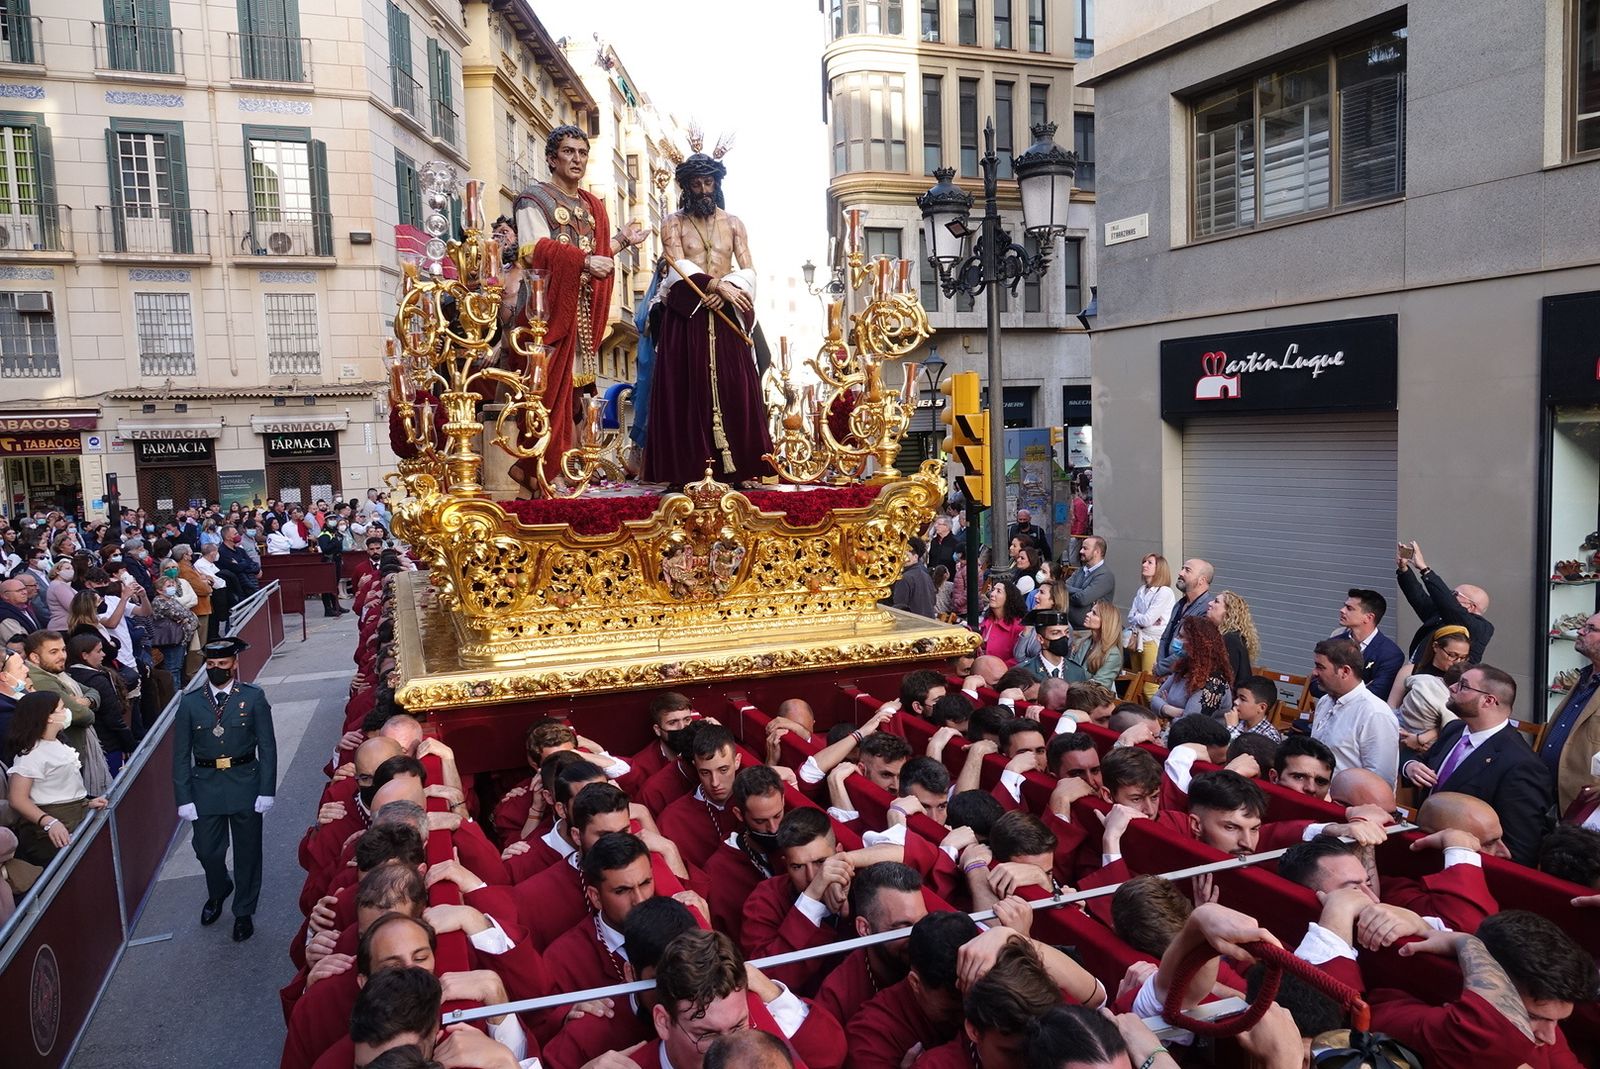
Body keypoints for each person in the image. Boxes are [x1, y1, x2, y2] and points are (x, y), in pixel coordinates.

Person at [513, 125, 647, 492]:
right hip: (547, 314)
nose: (577, 159)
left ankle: (571, 470)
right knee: (546, 396)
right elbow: (534, 249)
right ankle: (543, 471)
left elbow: (599, 257)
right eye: (569, 152)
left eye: (582, 153)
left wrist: (621, 241)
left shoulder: (592, 206)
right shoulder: (534, 199)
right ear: (552, 157)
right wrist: (585, 263)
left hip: (584, 314)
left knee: (574, 400)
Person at [644, 147, 772, 487]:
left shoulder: (733, 224)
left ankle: (739, 468)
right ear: (686, 187)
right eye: (696, 184)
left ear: (717, 185)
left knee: (736, 387)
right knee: (685, 389)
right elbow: (674, 265)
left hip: (726, 310)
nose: (703, 190)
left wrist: (726, 288)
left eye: (708, 183)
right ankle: (684, 471)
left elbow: (749, 268)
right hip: (688, 316)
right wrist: (711, 284)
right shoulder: (673, 223)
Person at [173, 636, 277, 942]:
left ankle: (243, 911)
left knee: (248, 852)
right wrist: (183, 797)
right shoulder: (190, 703)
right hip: (205, 785)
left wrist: (266, 789)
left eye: (221, 664)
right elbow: (180, 754)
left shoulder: (253, 698)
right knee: (207, 851)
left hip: (245, 780)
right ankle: (219, 889)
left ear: (234, 664)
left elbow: (267, 747)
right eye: (210, 664)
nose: (216, 669)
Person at [1401, 664, 1554, 864]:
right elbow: (1420, 760)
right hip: (1424, 849)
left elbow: (1518, 849)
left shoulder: (1521, 765)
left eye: (1463, 686)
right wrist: (1410, 766)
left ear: (1488, 701)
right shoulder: (1455, 730)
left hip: (1465, 866)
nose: (1452, 687)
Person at [4, 692, 107, 865]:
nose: (67, 711)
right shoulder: (31, 754)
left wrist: (86, 803)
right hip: (51, 830)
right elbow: (17, 799)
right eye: (62, 708)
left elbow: (59, 788)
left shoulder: (58, 743)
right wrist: (49, 822)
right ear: (48, 717)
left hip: (75, 817)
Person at [1308, 637, 1399, 785]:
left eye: (1320, 667)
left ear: (1345, 671)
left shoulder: (1375, 714)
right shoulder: (1325, 701)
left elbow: (1381, 781)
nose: (1314, 673)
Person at [1540, 611, 1600, 813]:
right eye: (1584, 625)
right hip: (1550, 794)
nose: (1581, 631)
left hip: (1585, 804)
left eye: (1591, 629)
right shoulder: (1585, 677)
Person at [1396, 540, 1493, 664]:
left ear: (1471, 606)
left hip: (1442, 681)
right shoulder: (1443, 616)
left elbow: (1450, 605)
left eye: (1455, 594)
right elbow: (1419, 597)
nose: (1450, 596)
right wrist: (1404, 569)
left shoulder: (1482, 628)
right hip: (1416, 671)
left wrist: (1425, 569)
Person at [1311, 587, 1406, 702]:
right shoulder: (1333, 642)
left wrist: (1334, 685)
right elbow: (1315, 686)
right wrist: (1360, 688)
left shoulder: (1390, 654)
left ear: (1368, 617)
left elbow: (1377, 694)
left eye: (1349, 608)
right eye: (1344, 606)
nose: (1342, 610)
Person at [66, 633, 133, 775]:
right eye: (98, 651)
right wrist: (129, 744)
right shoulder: (98, 681)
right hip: (109, 745)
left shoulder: (69, 675)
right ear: (84, 655)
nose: (103, 654)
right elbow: (113, 718)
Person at [1149, 617, 1233, 720]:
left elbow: (1189, 724)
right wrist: (1168, 709)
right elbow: (1154, 700)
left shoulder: (1214, 683)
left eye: (1181, 637)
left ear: (1196, 644)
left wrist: (1163, 707)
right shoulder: (1183, 670)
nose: (1176, 640)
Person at [1154, 558, 1215, 678]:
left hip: (1183, 677)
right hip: (1166, 676)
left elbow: (1189, 649)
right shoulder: (1180, 604)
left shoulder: (1206, 610)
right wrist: (1161, 667)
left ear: (1202, 580)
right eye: (1182, 568)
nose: (1180, 573)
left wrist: (1161, 668)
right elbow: (1165, 638)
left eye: (1187, 570)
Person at [1126, 553, 1177, 680]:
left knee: (1149, 684)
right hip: (1136, 639)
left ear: (1159, 568)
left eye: (1149, 562)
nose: (1144, 565)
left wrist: (1139, 618)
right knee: (1135, 681)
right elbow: (1130, 616)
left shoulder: (1164, 592)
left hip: (1152, 641)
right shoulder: (1142, 590)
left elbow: (1147, 620)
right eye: (1144, 562)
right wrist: (1141, 619)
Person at [1204, 590, 1257, 690]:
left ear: (1228, 612)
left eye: (1216, 601)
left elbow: (1225, 679)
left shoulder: (1230, 639)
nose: (1209, 603)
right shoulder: (1224, 636)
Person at [1068, 600, 1124, 689]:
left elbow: (1099, 686)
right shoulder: (1084, 641)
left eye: (1094, 613)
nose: (1087, 614)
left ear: (1105, 621)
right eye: (1090, 611)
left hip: (1089, 699)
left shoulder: (1113, 654)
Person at [1065, 535, 1113, 629]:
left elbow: (1082, 599)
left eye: (1085, 548)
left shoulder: (1105, 576)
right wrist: (1082, 591)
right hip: (1071, 628)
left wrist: (1072, 594)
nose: (1081, 551)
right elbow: (1063, 588)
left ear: (1097, 552)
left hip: (1089, 631)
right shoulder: (1080, 570)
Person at [978, 581, 1028, 667]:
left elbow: (1019, 658)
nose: (992, 594)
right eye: (993, 590)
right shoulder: (987, 621)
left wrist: (999, 669)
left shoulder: (1018, 627)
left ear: (1009, 598)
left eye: (998, 591)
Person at [888, 536, 937, 619]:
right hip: (928, 623)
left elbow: (899, 608)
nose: (902, 558)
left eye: (906, 554)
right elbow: (933, 600)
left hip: (914, 625)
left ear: (915, 557)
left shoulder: (904, 578)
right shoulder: (925, 574)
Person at [0, 576, 41, 644]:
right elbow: (18, 643)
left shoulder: (24, 608)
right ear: (5, 596)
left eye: (24, 589)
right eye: (19, 591)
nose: (24, 592)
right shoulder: (5, 615)